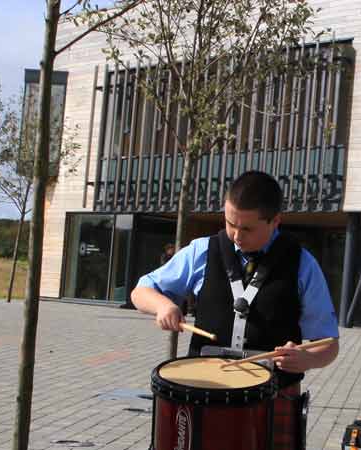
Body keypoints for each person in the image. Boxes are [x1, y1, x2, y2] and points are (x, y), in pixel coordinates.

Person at [130, 170, 340, 449]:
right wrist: (163, 305)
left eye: (248, 229)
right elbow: (141, 290)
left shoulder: (303, 265)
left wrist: (308, 359)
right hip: (202, 395)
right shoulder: (202, 251)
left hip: (273, 399)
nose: (236, 236)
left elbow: (329, 344)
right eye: (230, 223)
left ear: (275, 221)